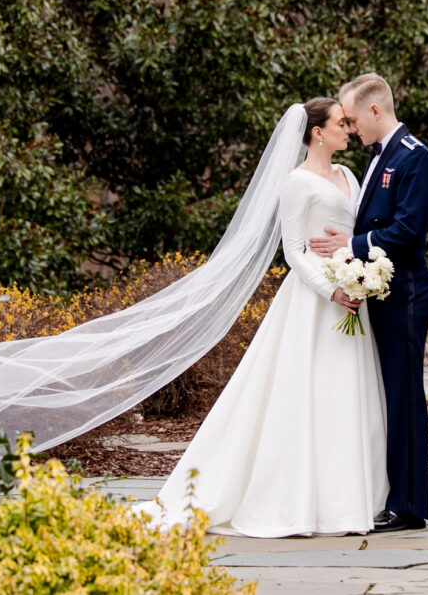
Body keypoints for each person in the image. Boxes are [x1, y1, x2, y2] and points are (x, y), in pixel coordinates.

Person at [140, 97, 387, 536]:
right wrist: (331, 289)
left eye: (348, 124)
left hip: (353, 295)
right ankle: (297, 499)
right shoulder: (296, 183)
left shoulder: (349, 175)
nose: (348, 130)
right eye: (340, 124)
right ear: (317, 132)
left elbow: (354, 232)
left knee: (348, 396)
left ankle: (351, 500)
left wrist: (359, 272)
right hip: (315, 302)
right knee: (308, 394)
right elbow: (294, 251)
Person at [309, 73, 428, 533]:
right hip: (385, 292)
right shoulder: (378, 158)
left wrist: (352, 243)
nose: (352, 126)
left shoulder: (413, 159)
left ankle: (408, 506)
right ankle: (397, 496)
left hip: (405, 293)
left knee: (404, 397)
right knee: (393, 395)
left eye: (354, 118)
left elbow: (408, 232)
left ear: (376, 111)